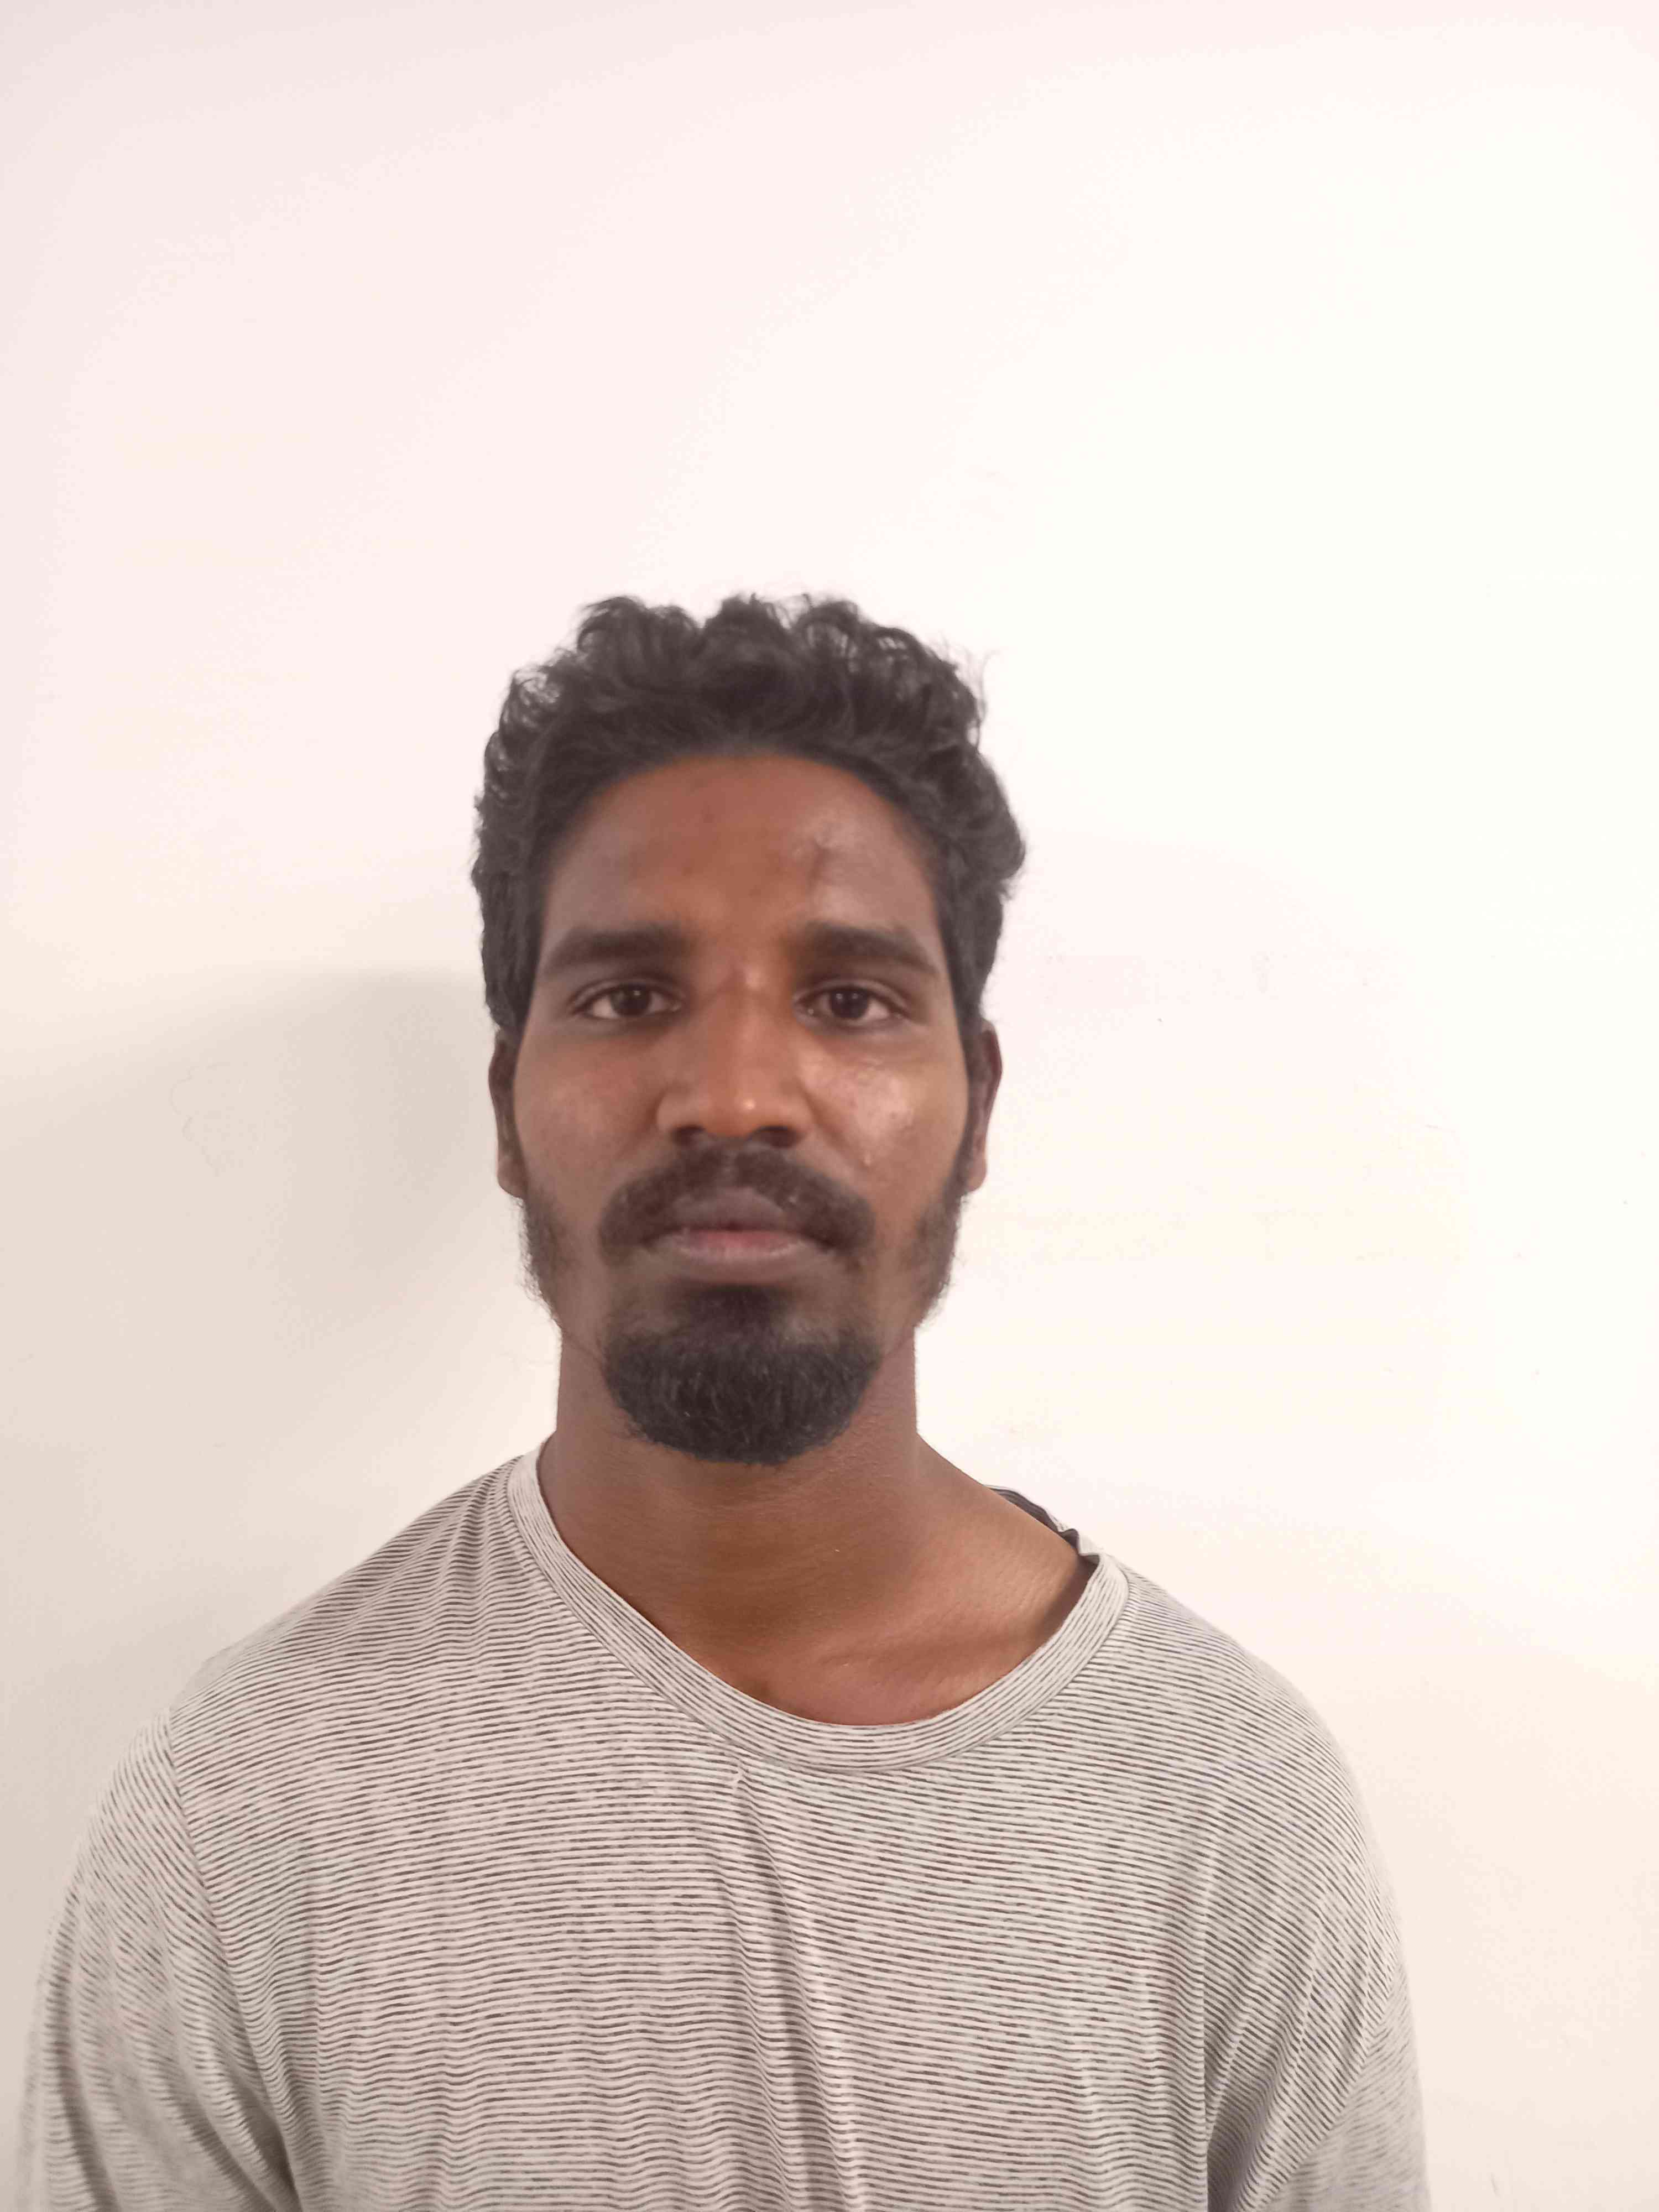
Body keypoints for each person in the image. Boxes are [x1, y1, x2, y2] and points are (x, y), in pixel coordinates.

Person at [17, 593, 1430, 2208]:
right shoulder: (250, 1808)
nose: (738, 1096)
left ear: (976, 1109)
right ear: (507, 1107)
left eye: (849, 1001)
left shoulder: (1225, 1805)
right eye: (629, 996)